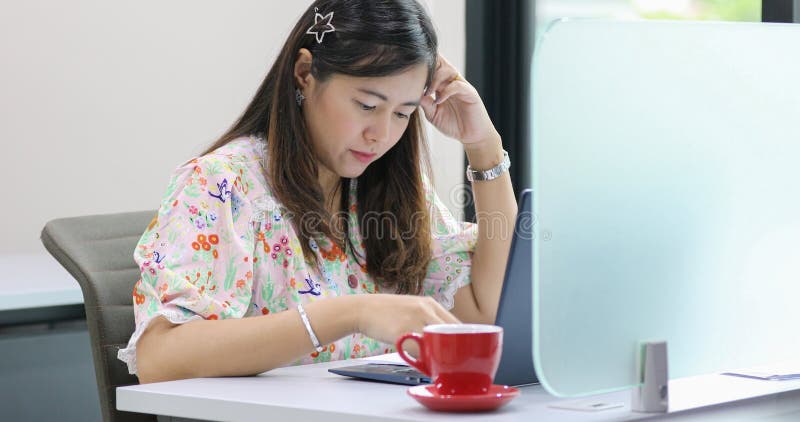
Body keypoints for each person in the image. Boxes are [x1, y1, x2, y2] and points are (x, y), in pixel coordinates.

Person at [119, 0, 517, 384]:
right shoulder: (223, 184)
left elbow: (484, 315)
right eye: (366, 105)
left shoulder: (388, 192)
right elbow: (159, 357)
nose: (381, 135)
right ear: (305, 73)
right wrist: (351, 313)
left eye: (402, 114)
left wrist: (483, 144)